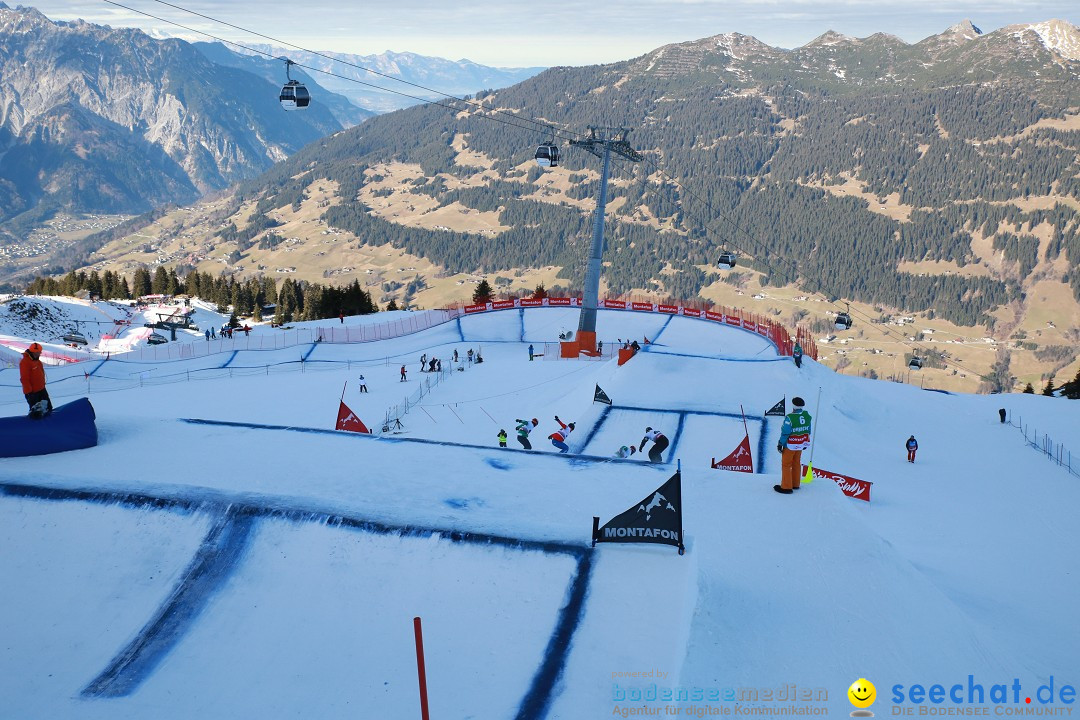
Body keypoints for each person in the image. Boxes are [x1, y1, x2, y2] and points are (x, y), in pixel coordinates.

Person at [775, 396, 812, 494]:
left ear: (793, 405)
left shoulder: (790, 418)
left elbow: (785, 432)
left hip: (790, 444)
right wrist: (804, 442)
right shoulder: (807, 415)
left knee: (786, 464)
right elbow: (808, 430)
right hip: (800, 444)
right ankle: (795, 483)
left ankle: (786, 487)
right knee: (796, 462)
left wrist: (780, 443)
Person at [20, 343, 53, 417]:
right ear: (33, 352)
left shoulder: (37, 361)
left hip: (42, 390)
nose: (40, 353)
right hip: (33, 393)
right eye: (39, 352)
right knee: (36, 414)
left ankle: (50, 426)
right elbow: (24, 378)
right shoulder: (25, 362)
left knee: (48, 409)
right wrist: (29, 393)